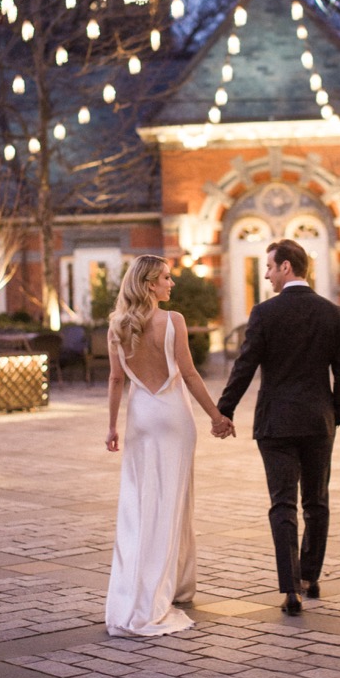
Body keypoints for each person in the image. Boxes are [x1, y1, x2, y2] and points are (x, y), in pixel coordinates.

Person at [217, 239, 340, 615]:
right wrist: (333, 415)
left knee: (282, 504)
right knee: (316, 501)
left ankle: (290, 590)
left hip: (276, 424)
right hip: (317, 422)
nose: (266, 274)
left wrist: (224, 410)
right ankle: (310, 577)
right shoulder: (334, 314)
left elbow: (244, 366)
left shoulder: (264, 313)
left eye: (270, 267)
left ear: (286, 268)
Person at [104, 255, 234, 637]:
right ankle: (171, 587)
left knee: (140, 505)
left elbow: (115, 381)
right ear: (148, 284)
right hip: (174, 417)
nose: (171, 283)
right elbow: (190, 374)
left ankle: (153, 585)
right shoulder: (173, 321)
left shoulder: (116, 326)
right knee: (175, 501)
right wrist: (216, 416)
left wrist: (111, 426)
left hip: (141, 418)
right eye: (165, 277)